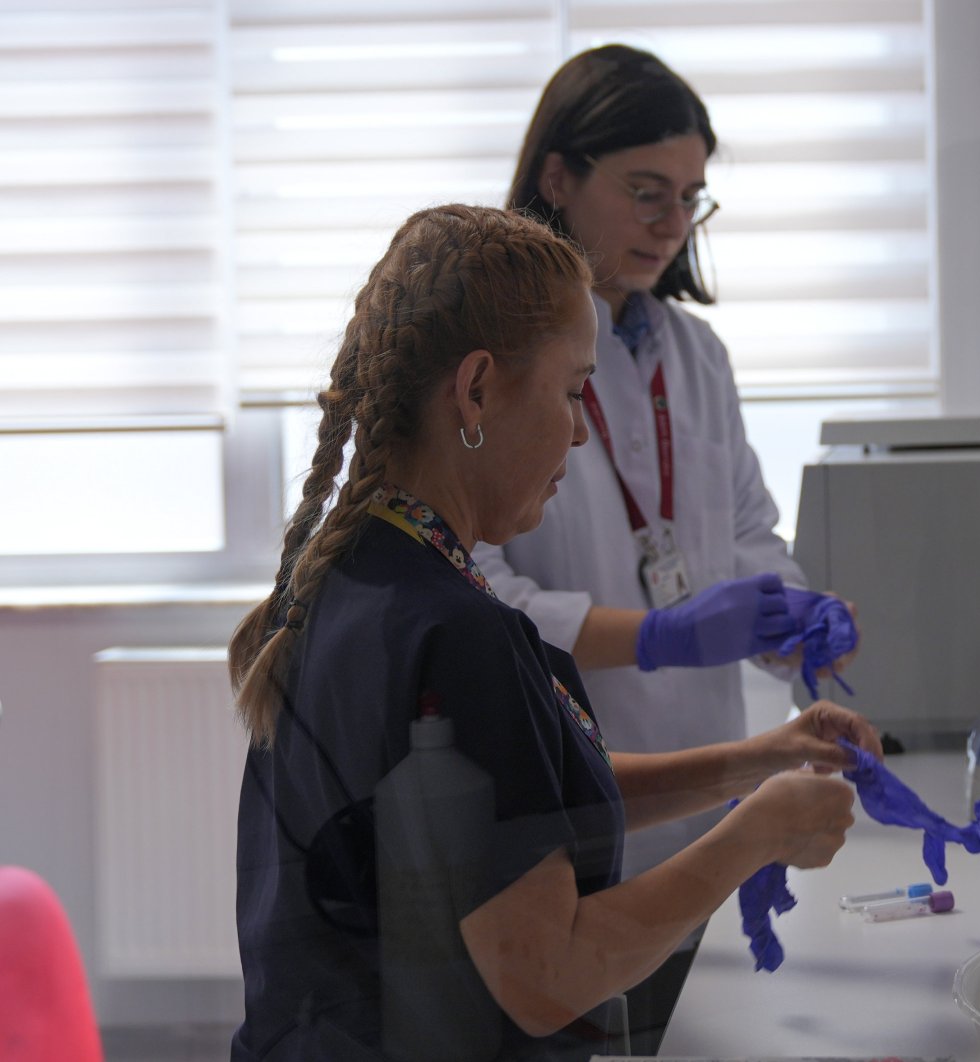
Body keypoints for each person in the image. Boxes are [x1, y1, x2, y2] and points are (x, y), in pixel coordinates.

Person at [227, 204, 877, 1061]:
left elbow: (516, 809)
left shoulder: (363, 573)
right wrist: (755, 833)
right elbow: (547, 977)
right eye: (572, 390)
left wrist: (754, 760)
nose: (579, 428)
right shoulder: (457, 632)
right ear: (477, 389)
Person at [476, 45, 860, 1047]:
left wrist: (788, 618)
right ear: (556, 178)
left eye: (692, 197)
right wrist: (654, 636)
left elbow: (743, 532)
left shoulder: (693, 354)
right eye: (645, 191)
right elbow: (477, 597)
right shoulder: (501, 357)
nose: (671, 223)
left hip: (704, 804)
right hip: (568, 808)